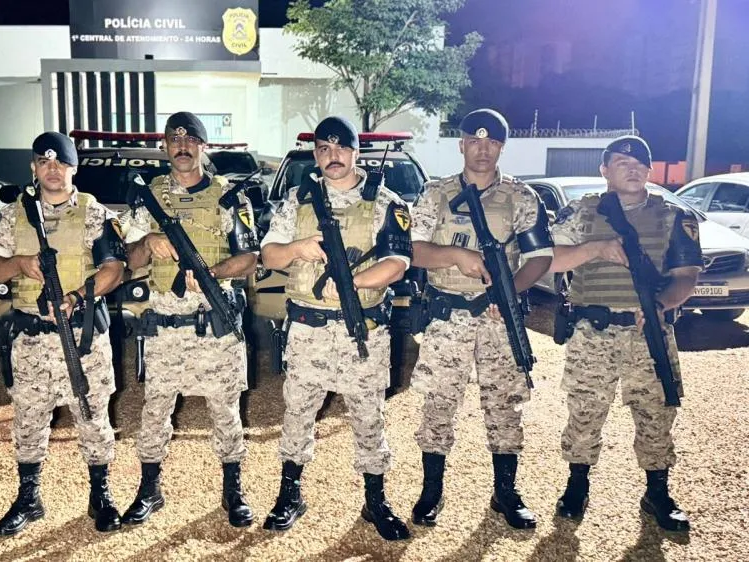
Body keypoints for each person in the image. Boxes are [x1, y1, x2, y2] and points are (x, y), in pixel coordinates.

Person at [259, 116, 412, 541]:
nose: (333, 157)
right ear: (316, 155)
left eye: (341, 148)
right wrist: (297, 248)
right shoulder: (296, 199)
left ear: (355, 151)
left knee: (368, 417)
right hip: (307, 330)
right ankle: (290, 493)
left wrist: (352, 283)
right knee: (297, 414)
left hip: (362, 331)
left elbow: (399, 262)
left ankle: (375, 500)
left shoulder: (386, 202)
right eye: (323, 150)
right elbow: (269, 255)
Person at [407, 108, 553, 530]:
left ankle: (504, 493)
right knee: (438, 404)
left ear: (502, 147)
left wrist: (508, 291)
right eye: (475, 140)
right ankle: (432, 490)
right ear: (462, 144)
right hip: (446, 314)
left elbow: (539, 257)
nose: (483, 149)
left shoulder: (522, 198)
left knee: (504, 406)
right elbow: (412, 251)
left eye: (491, 142)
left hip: (496, 318)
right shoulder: (436, 194)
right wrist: (455, 255)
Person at [547, 135, 699, 532]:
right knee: (585, 412)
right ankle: (577, 485)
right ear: (605, 170)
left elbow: (686, 276)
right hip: (593, 333)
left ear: (648, 171)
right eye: (621, 163)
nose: (632, 169)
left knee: (656, 414)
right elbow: (548, 259)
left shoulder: (672, 216)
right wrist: (595, 249)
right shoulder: (580, 212)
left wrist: (663, 305)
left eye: (639, 164)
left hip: (647, 331)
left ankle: (658, 493)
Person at [118, 112, 259, 528]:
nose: (182, 147)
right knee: (155, 409)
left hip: (215, 320)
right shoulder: (148, 198)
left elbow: (251, 258)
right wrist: (148, 241)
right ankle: (149, 489)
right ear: (165, 147)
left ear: (203, 147)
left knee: (225, 409)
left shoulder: (229, 197)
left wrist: (213, 275)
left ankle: (233, 490)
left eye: (191, 140)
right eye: (174, 140)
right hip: (164, 324)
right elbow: (127, 262)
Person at [0, 132, 127, 534]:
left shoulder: (94, 214)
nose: (52, 170)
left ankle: (101, 494)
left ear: (73, 168)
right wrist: (20, 263)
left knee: (93, 416)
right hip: (29, 337)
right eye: (44, 162)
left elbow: (113, 270)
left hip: (81, 337)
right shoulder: (14, 215)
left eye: (60, 163)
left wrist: (79, 297)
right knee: (28, 421)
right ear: (33, 167)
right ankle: (29, 498)